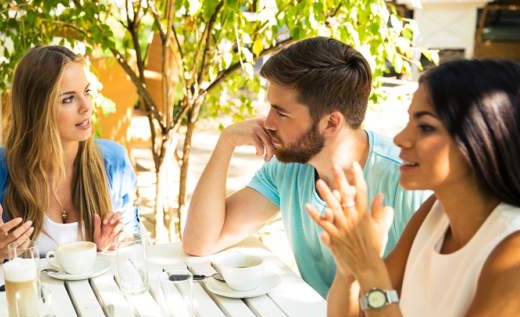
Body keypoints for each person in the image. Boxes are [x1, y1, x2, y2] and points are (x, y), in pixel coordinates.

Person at [306, 59, 520, 317]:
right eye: (408, 122)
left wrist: (370, 267)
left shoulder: (511, 250)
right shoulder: (435, 212)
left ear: (480, 139)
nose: (401, 139)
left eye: (425, 127)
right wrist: (351, 268)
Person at [183, 37, 428, 297]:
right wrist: (225, 144)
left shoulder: (409, 182)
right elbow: (200, 242)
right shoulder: (290, 167)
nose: (267, 123)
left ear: (331, 123)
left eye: (281, 112)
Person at [0, 45, 139, 265]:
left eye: (86, 92)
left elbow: (133, 242)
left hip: (93, 298)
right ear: (37, 110)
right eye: (68, 99)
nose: (86, 107)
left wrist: (111, 246)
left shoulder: (113, 162)